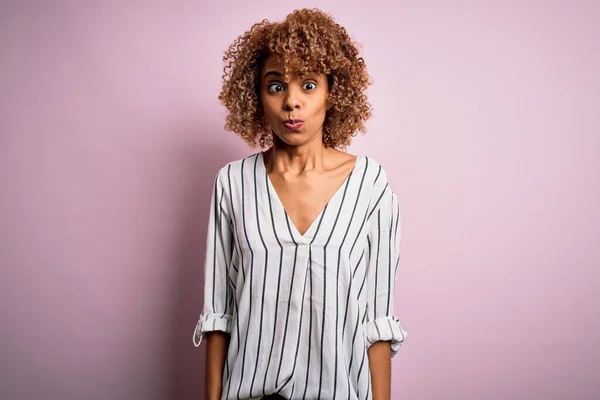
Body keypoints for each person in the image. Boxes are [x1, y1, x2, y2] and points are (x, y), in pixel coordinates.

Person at [193, 8, 408, 400]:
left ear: (333, 91)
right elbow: (217, 316)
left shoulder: (370, 185)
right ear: (256, 96)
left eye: (308, 84)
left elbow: (377, 322)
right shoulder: (233, 184)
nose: (292, 101)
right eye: (276, 86)